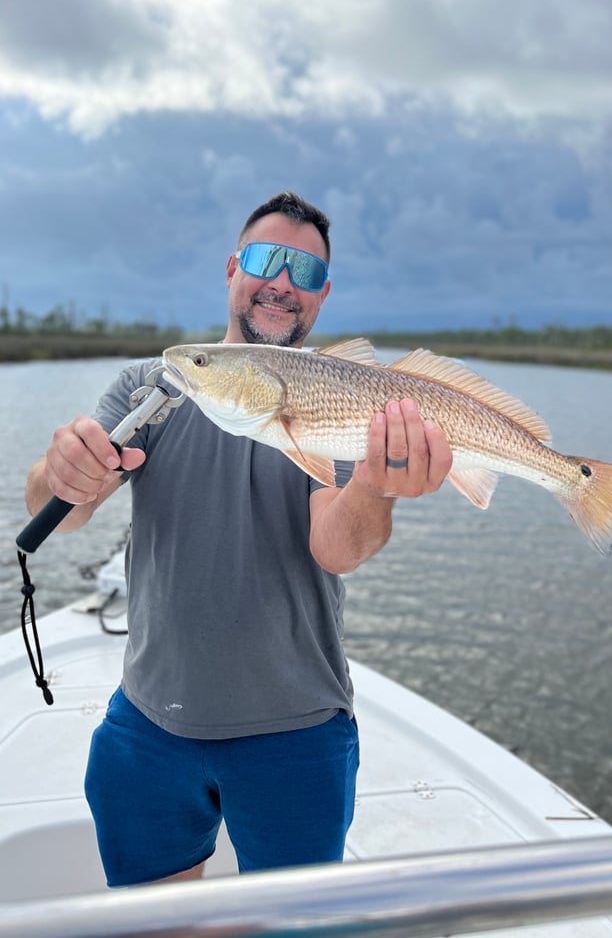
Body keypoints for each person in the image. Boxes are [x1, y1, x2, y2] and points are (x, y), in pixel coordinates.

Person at [25, 190, 453, 886]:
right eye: (266, 260)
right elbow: (66, 510)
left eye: (306, 273)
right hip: (148, 726)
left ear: (322, 296)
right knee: (152, 922)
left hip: (298, 732)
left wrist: (376, 482)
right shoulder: (150, 386)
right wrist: (60, 471)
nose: (283, 283)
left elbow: (337, 549)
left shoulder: (341, 404)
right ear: (233, 268)